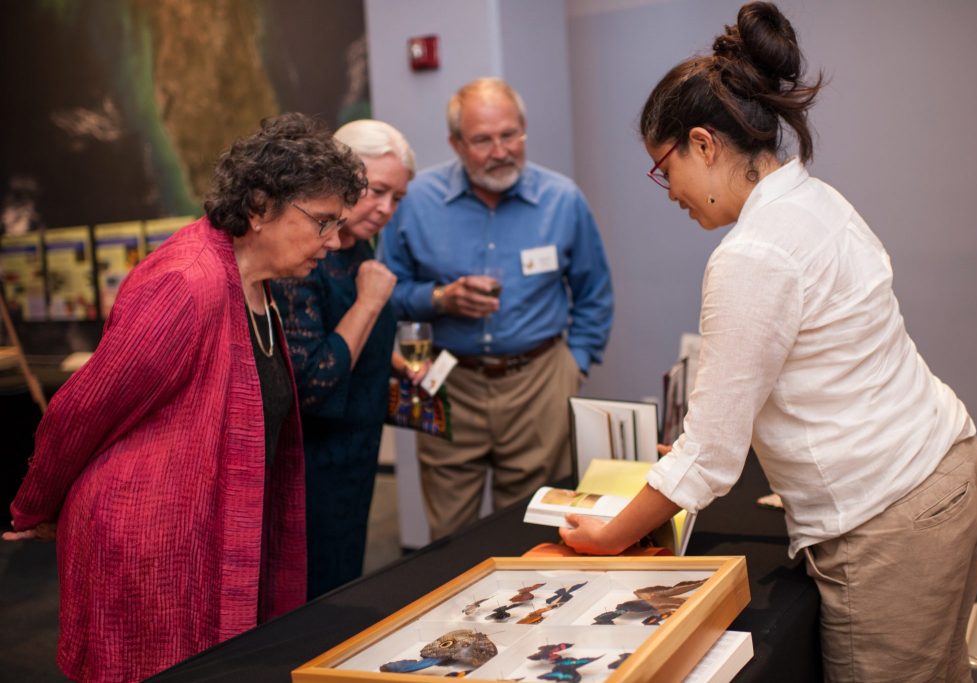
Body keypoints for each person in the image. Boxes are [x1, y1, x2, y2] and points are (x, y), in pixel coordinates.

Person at [560, 4, 977, 681]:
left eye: (662, 167)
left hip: (890, 517)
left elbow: (709, 458)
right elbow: (819, 360)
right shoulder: (814, 199)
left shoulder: (752, 253)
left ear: (704, 144)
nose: (667, 190)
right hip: (946, 465)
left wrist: (608, 532)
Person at [3, 112, 366, 682]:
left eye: (339, 225)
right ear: (259, 205)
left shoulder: (259, 283)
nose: (335, 242)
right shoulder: (186, 281)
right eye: (323, 222)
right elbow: (82, 409)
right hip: (146, 543)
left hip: (195, 531)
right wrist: (35, 505)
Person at [379, 77, 614, 541]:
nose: (500, 150)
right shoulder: (416, 201)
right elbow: (385, 292)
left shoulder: (562, 200)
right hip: (445, 378)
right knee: (449, 532)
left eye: (510, 135)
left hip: (538, 381)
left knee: (534, 527)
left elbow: (594, 293)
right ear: (456, 144)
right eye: (483, 140)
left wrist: (574, 366)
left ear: (524, 130)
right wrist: (439, 299)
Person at [271, 119, 418, 599]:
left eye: (396, 198)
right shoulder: (306, 254)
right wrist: (370, 302)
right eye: (376, 191)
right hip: (312, 459)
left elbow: (347, 336)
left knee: (344, 578)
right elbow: (311, 383)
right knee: (312, 592)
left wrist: (392, 362)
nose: (385, 209)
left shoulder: (359, 243)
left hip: (357, 444)